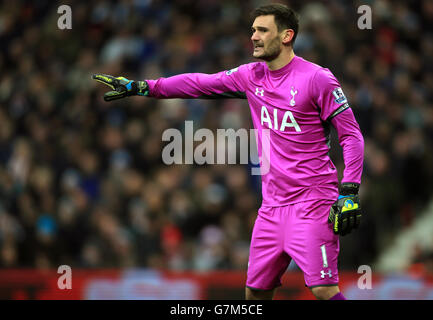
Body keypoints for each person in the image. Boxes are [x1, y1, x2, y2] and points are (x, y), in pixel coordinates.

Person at [92, 3, 364, 300]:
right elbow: (199, 83)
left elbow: (351, 135)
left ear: (287, 36)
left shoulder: (316, 78)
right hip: (271, 208)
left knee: (324, 289)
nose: (254, 37)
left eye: (262, 30)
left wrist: (349, 191)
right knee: (255, 294)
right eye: (253, 31)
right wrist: (143, 87)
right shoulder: (251, 76)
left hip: (312, 203)